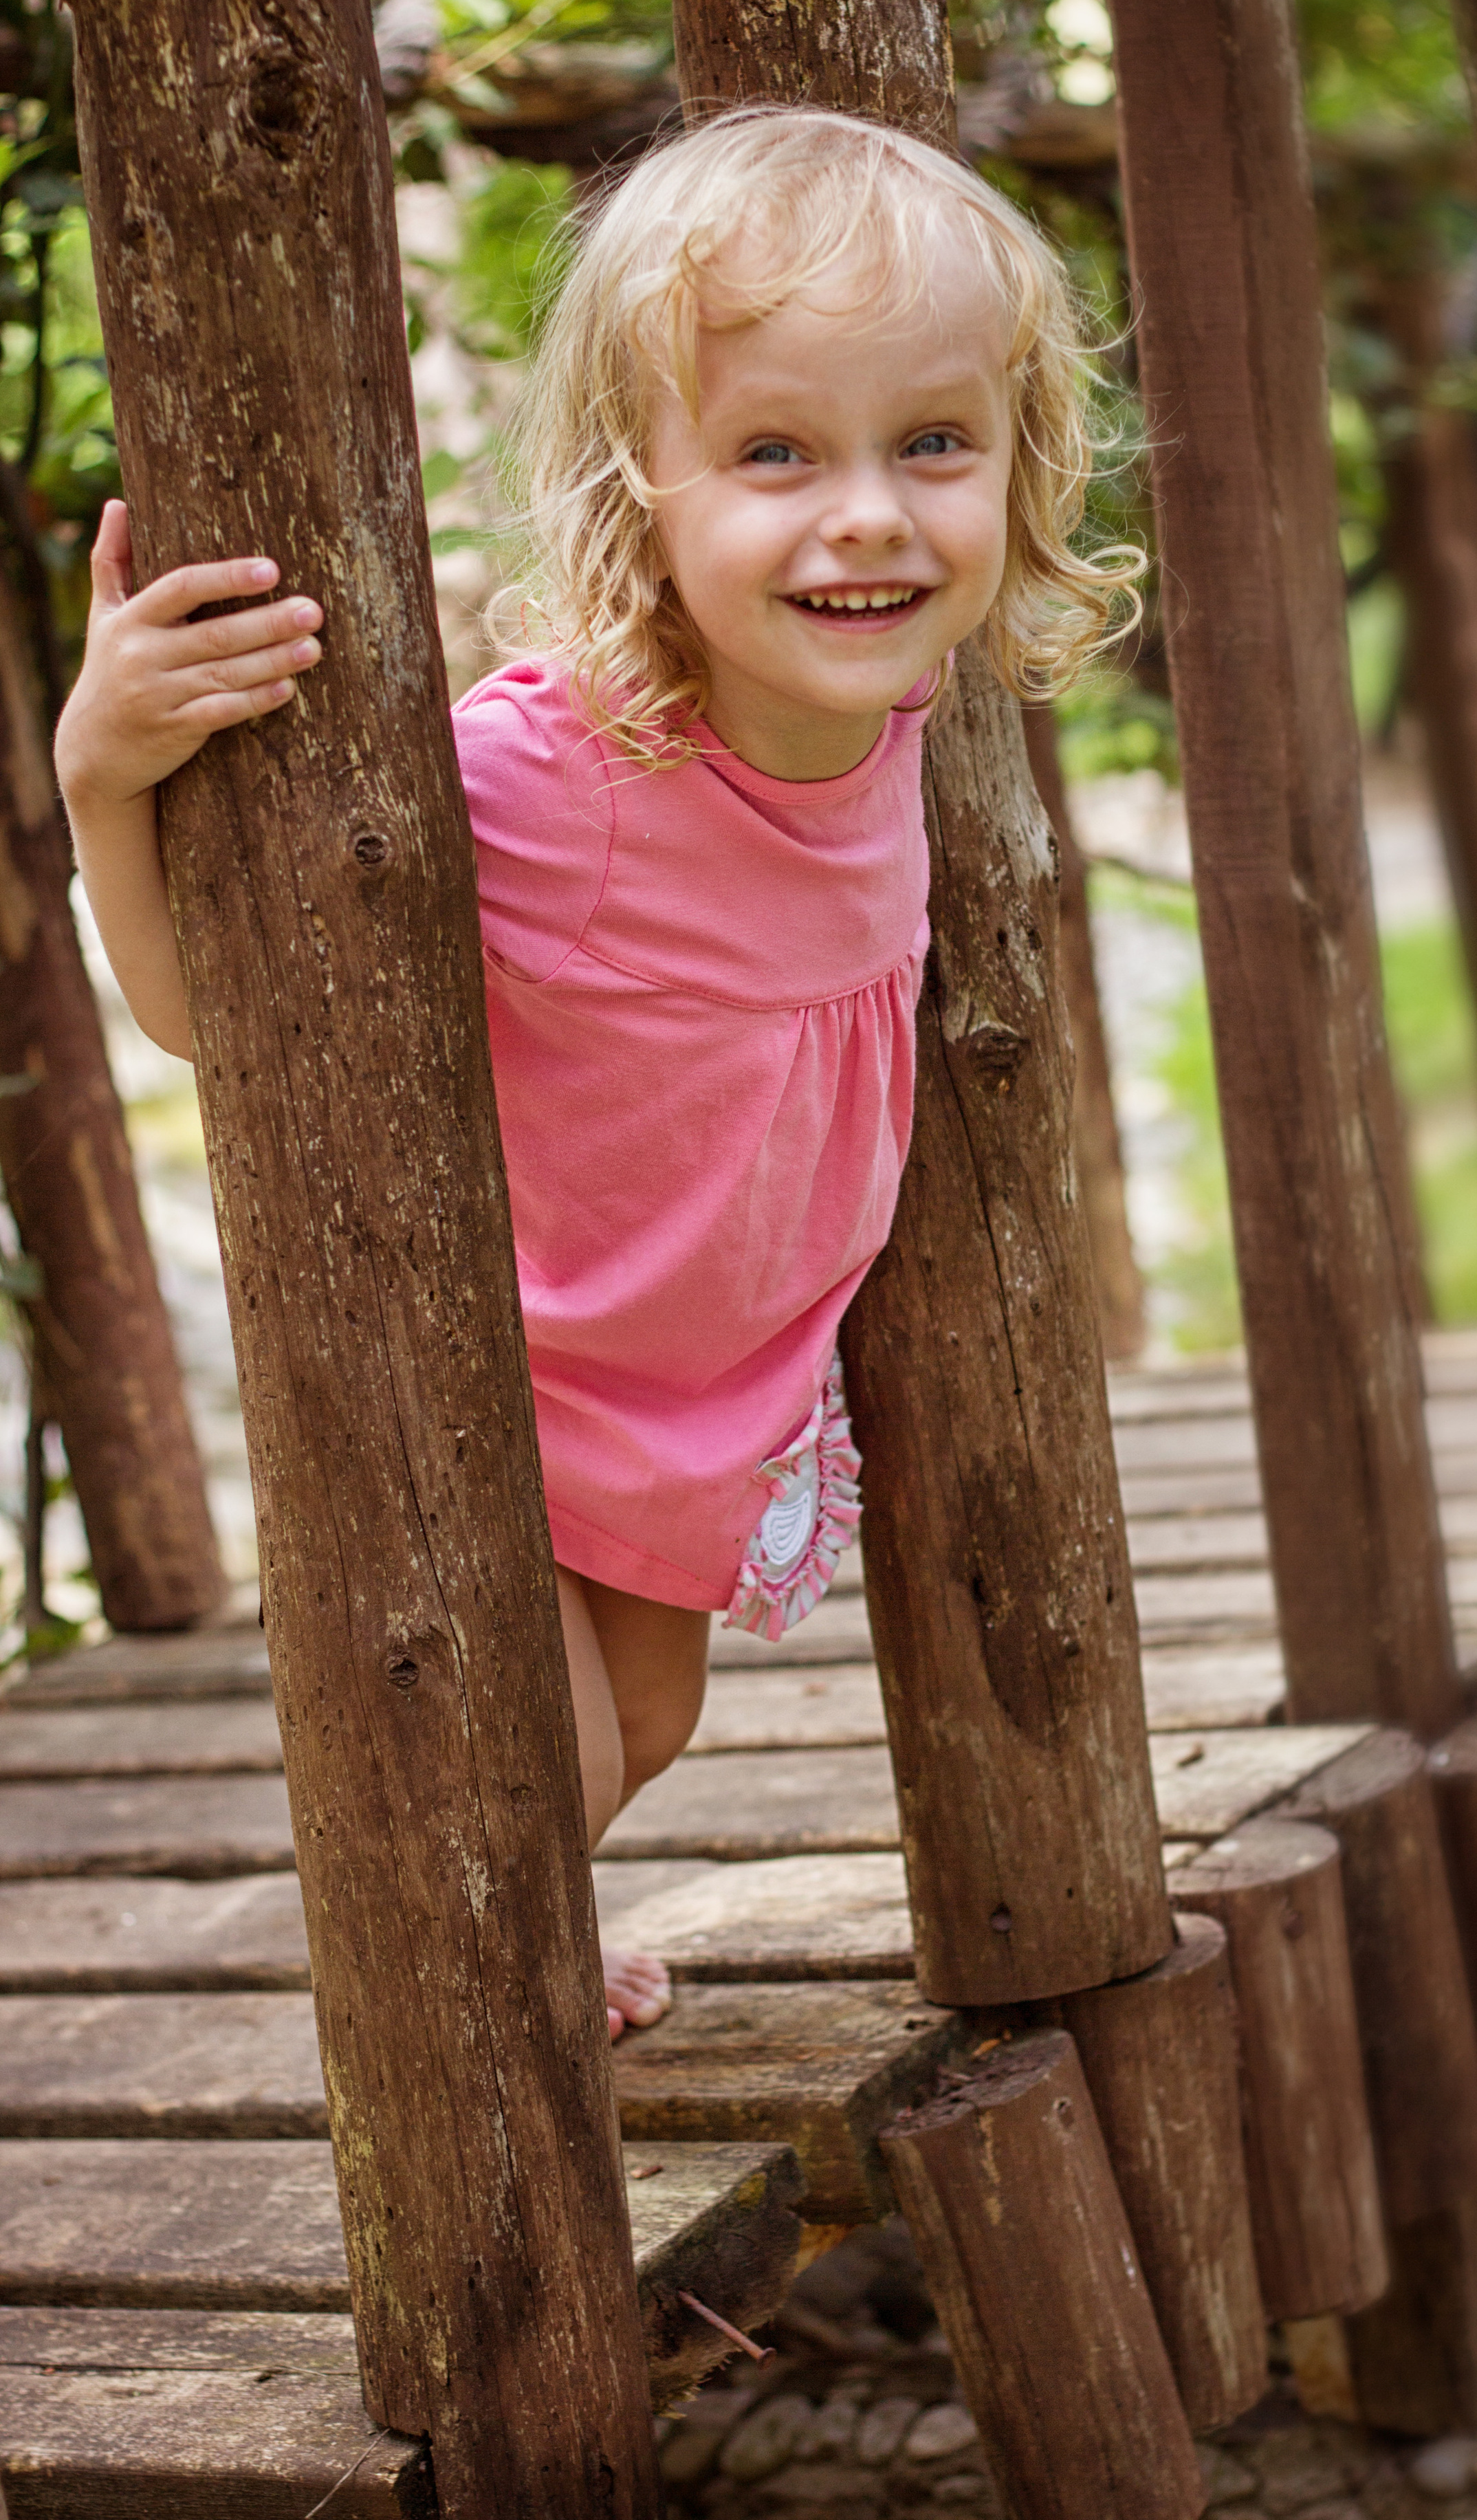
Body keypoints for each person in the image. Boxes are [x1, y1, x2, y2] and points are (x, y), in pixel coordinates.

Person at [54, 107, 1139, 2037]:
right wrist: (106, 784)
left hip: (699, 1379)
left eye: (935, 446)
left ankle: (520, 1933)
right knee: (525, 1752)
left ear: (1019, 463)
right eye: (777, 451)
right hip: (500, 1359)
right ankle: (454, 2016)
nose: (871, 513)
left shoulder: (891, 706)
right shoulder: (554, 772)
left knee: (648, 1717)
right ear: (647, 481)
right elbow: (223, 1017)